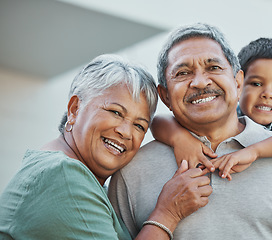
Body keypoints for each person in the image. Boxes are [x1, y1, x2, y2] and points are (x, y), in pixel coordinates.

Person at [108, 23, 272, 239]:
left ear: (237, 81)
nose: (200, 82)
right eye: (183, 73)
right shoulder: (130, 173)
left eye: (213, 67)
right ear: (165, 96)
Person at [0, 54, 212, 240]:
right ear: (74, 109)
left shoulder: (70, 173)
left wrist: (177, 137)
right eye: (116, 112)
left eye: (139, 125)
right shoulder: (63, 175)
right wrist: (168, 213)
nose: (126, 132)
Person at [150, 37, 272, 180]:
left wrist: (254, 151)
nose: (267, 94)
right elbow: (157, 121)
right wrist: (180, 139)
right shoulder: (230, 111)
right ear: (239, 85)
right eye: (256, 84)